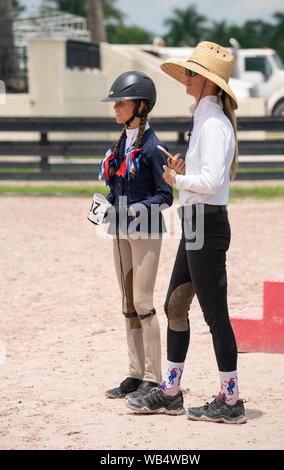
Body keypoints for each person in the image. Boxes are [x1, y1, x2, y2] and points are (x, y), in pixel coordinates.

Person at [126, 42, 247, 424]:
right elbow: (205, 178)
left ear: (207, 82)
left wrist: (178, 178)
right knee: (175, 306)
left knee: (215, 316)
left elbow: (211, 181)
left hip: (205, 223)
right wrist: (182, 172)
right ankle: (172, 392)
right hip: (196, 222)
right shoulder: (206, 121)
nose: (186, 80)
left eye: (191, 75)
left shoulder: (213, 124)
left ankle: (231, 400)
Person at [100, 71, 173, 400]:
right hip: (118, 231)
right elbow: (117, 187)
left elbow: (166, 196)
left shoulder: (154, 148)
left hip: (144, 231)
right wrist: (106, 207)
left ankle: (152, 376)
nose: (116, 107)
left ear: (141, 106)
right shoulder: (119, 145)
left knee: (143, 302)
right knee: (128, 303)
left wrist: (134, 209)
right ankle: (134, 371)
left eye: (122, 102)